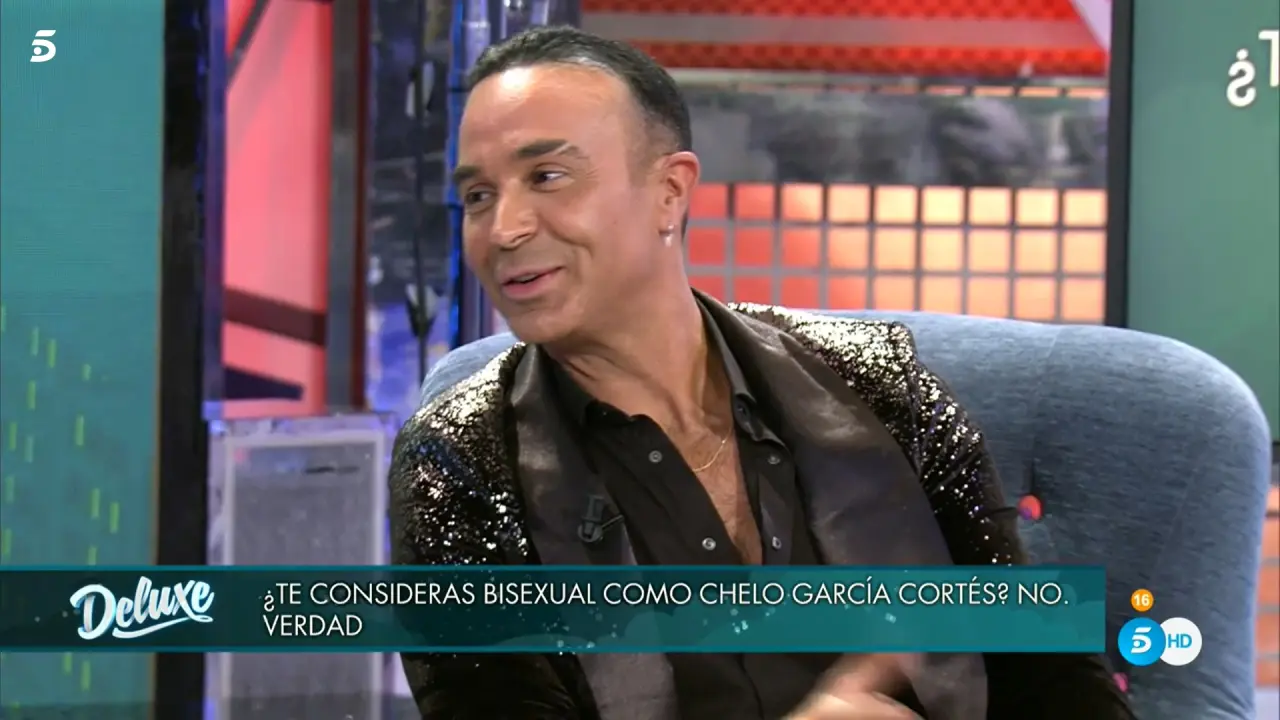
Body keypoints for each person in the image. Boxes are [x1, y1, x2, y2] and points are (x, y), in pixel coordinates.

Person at [389, 26, 1134, 720]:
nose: (505, 228)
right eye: (478, 196)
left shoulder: (884, 387)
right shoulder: (459, 462)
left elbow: (1055, 685)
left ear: (670, 192)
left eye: (547, 176)